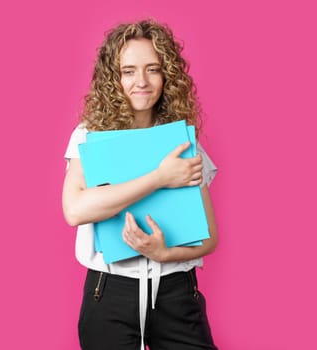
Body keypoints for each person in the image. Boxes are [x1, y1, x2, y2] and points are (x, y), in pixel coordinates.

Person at [62, 19, 218, 350]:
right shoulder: (89, 136)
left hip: (177, 292)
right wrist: (161, 178)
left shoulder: (183, 142)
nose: (141, 82)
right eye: (128, 71)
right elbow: (75, 210)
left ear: (167, 76)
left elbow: (208, 239)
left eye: (153, 69)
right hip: (111, 293)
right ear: (113, 78)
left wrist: (165, 252)